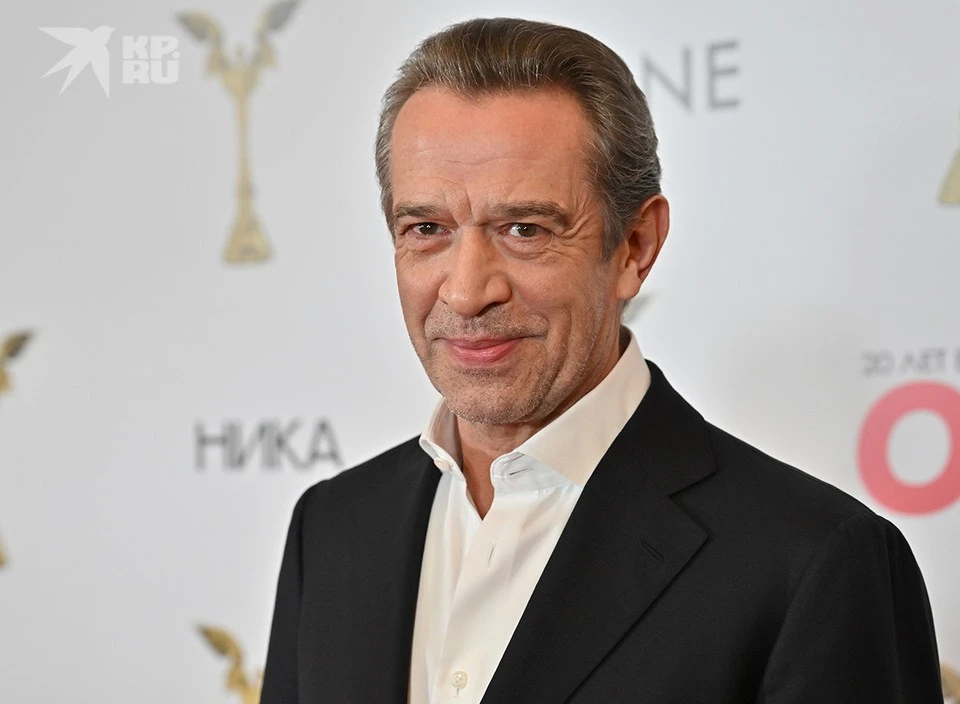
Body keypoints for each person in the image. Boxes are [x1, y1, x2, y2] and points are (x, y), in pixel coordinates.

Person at [260, 17, 942, 703]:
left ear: (635, 247)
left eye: (524, 229)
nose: (466, 291)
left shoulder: (814, 562)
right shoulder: (331, 528)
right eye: (427, 229)